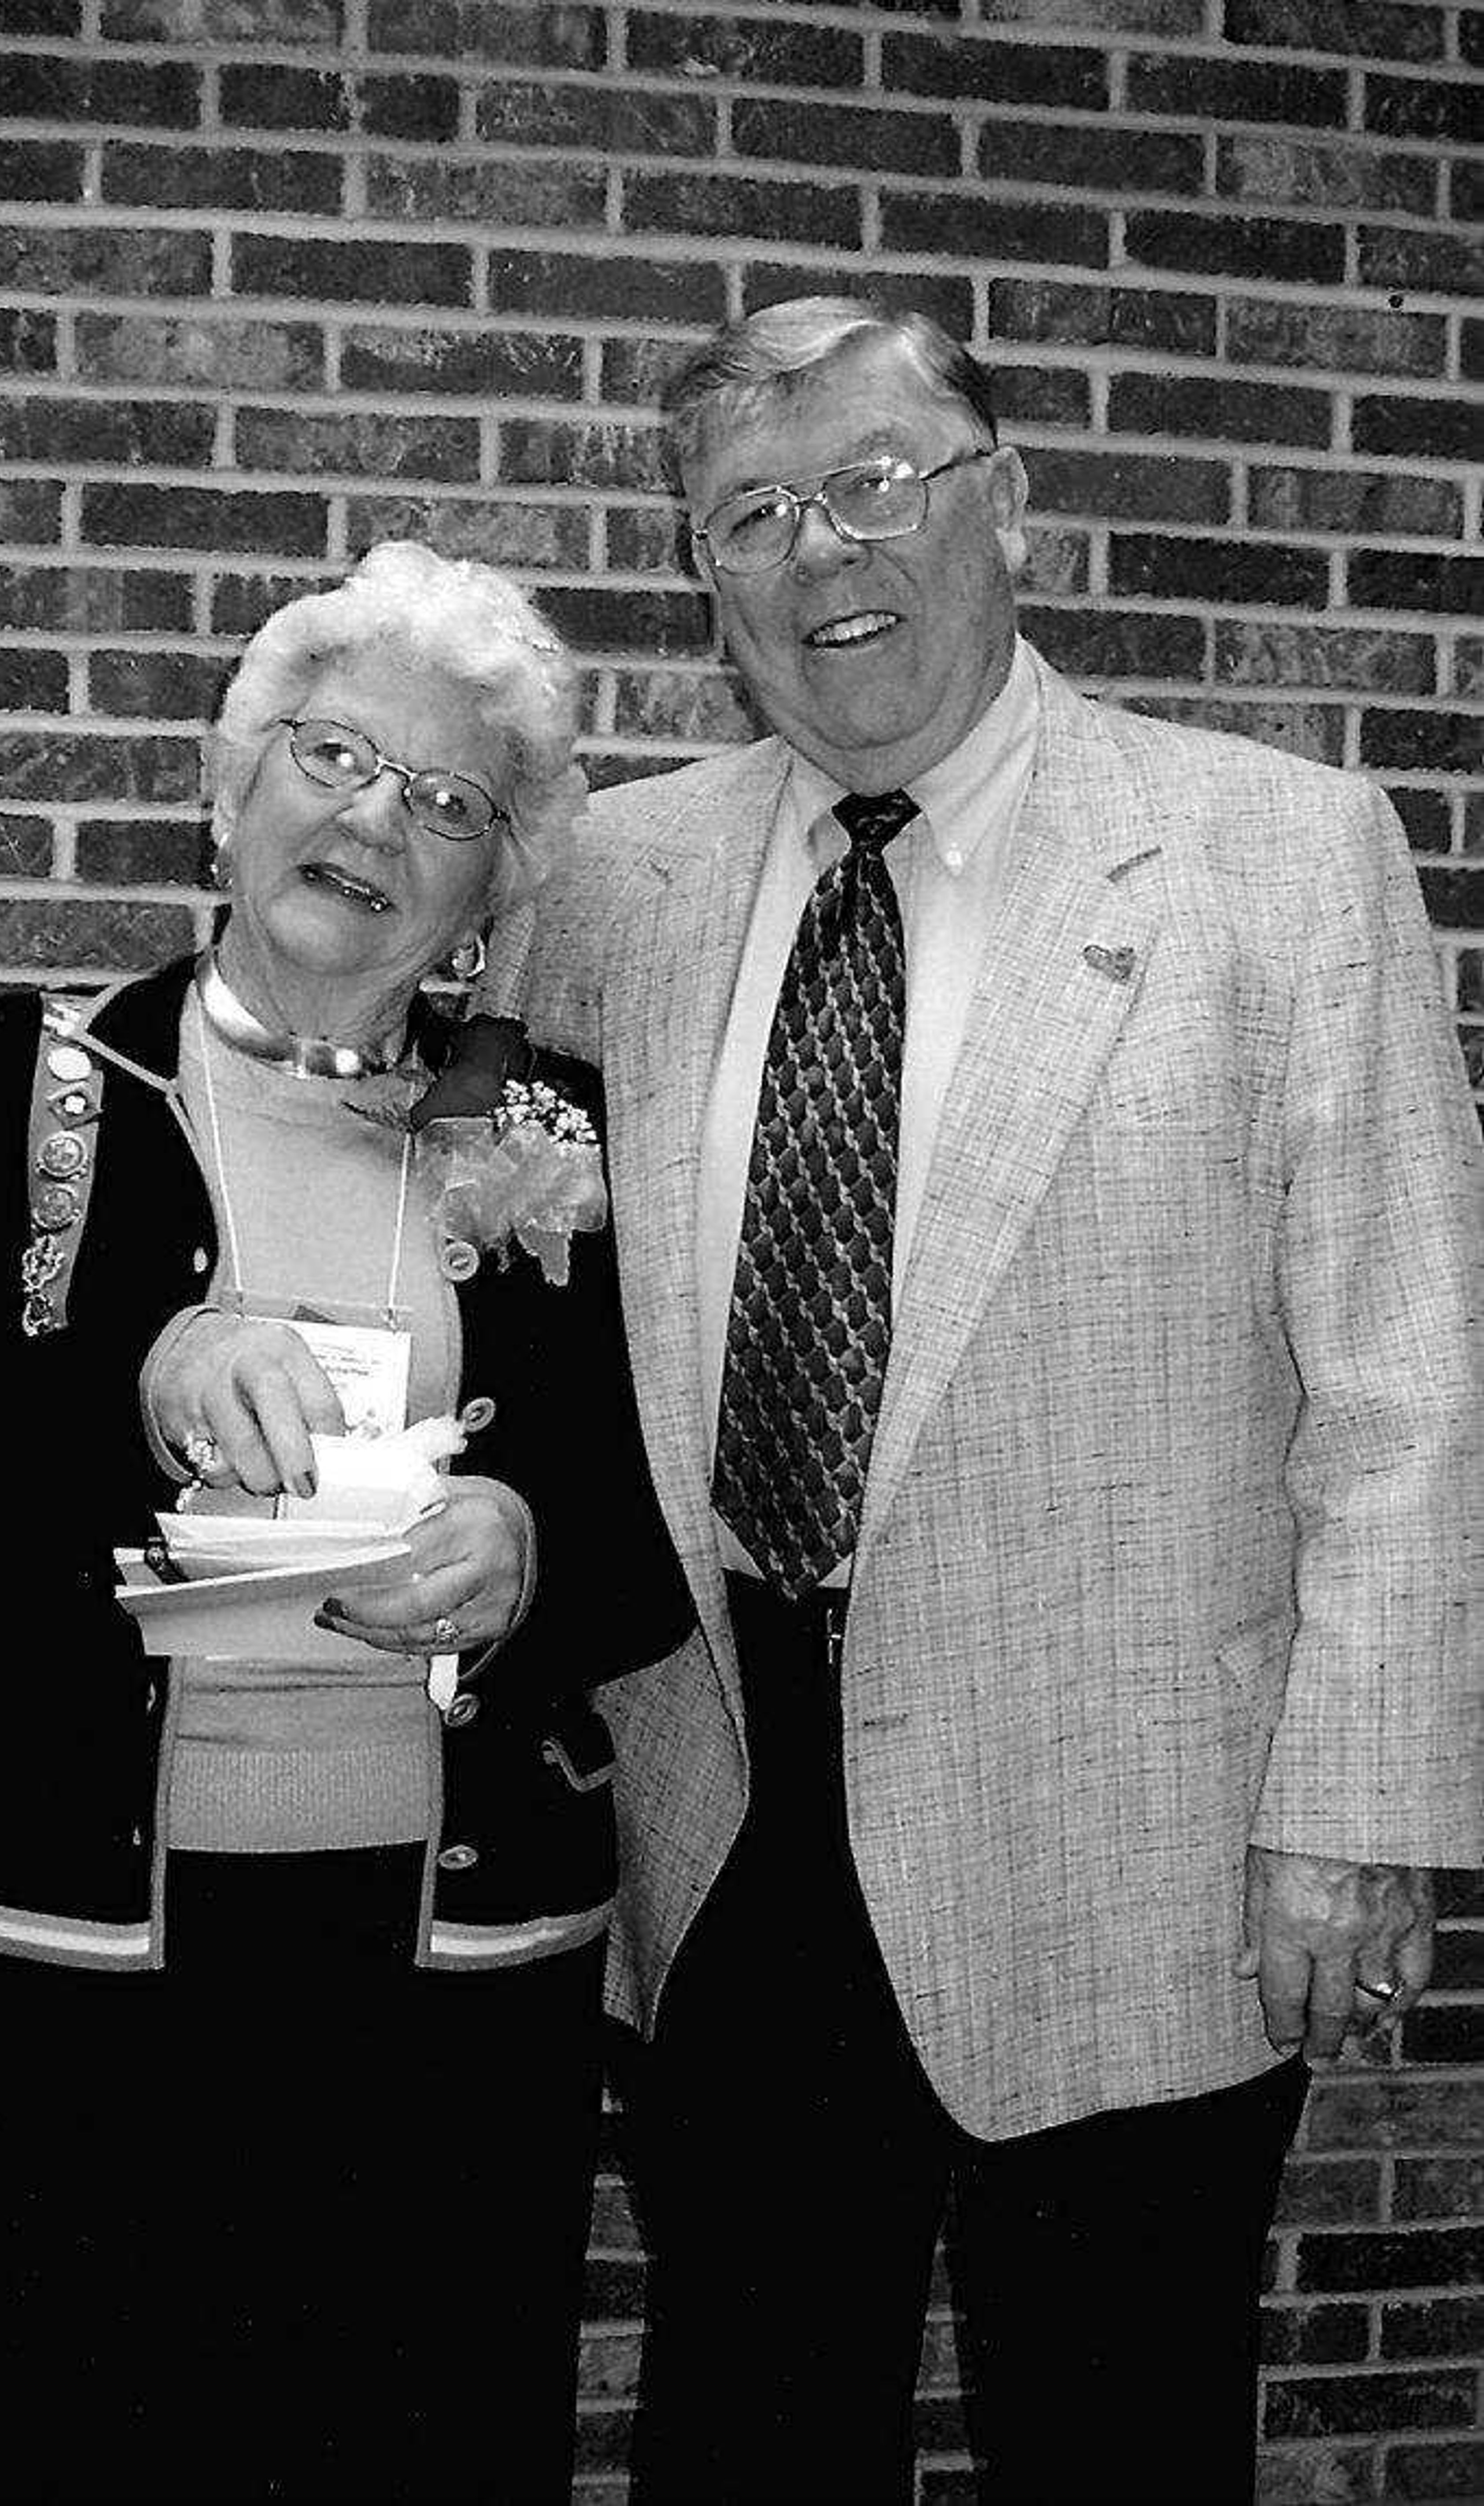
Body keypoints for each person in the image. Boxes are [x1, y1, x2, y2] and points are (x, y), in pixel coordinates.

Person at [440, 299, 1484, 2504]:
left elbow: (1411, 1379)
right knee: (748, 2429)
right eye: (754, 513)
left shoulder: (1283, 858)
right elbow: (495, 1273)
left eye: (879, 480)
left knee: (1122, 2433)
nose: (827, 548)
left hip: (1145, 1843)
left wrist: (1363, 1807)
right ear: (705, 573)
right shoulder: (613, 882)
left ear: (1006, 500)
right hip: (724, 1823)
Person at [0, 542, 689, 2503]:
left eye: (451, 801)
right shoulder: (27, 1088)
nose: (379, 816)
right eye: (337, 752)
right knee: (100, 2448)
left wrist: (532, 1549)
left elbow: (647, 1542)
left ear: (495, 884)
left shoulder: (550, 1129)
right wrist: (133, 1376)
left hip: (459, 1964)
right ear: (231, 787)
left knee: (439, 2457)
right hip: (81, 1956)